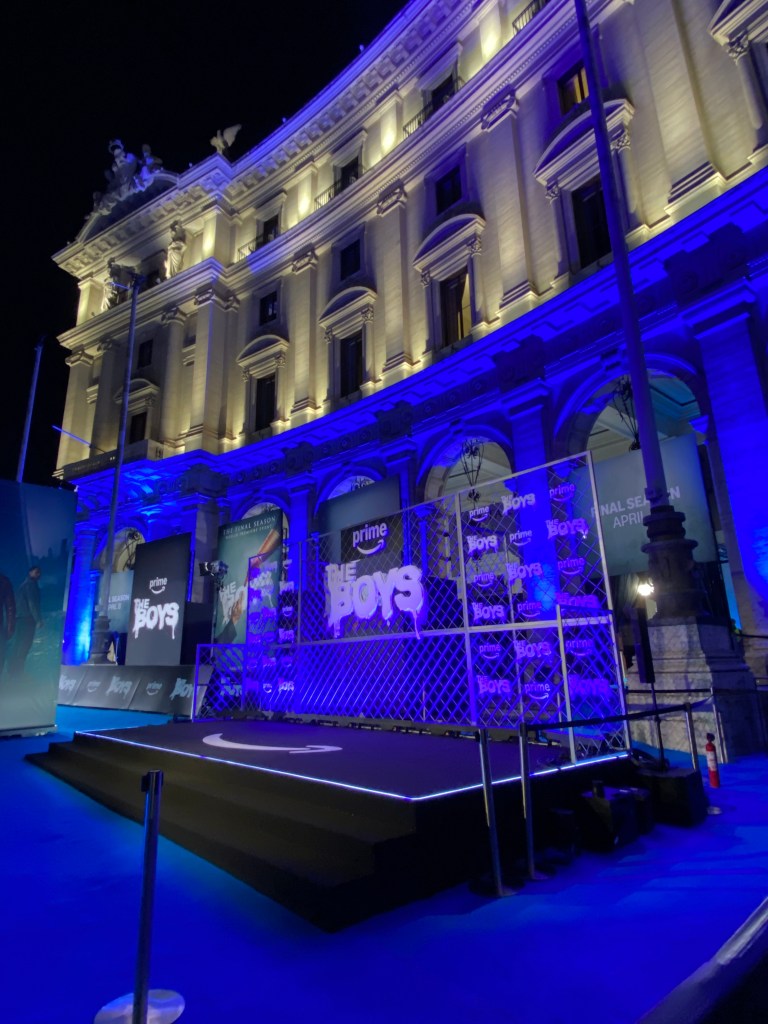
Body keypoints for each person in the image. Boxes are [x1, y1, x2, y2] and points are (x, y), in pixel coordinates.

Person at [9, 567, 43, 676]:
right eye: (36, 572)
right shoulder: (30, 585)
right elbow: (32, 603)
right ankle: (18, 672)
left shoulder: (25, 585)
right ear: (30, 572)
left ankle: (14, 671)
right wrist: (38, 620)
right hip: (27, 619)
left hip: (20, 619)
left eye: (39, 572)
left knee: (19, 644)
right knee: (24, 645)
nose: (38, 574)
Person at [0, 571, 15, 674]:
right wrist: (10, 627)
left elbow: (10, 608)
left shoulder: (3, 581)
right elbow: (10, 608)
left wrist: (10, 627)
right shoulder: (3, 581)